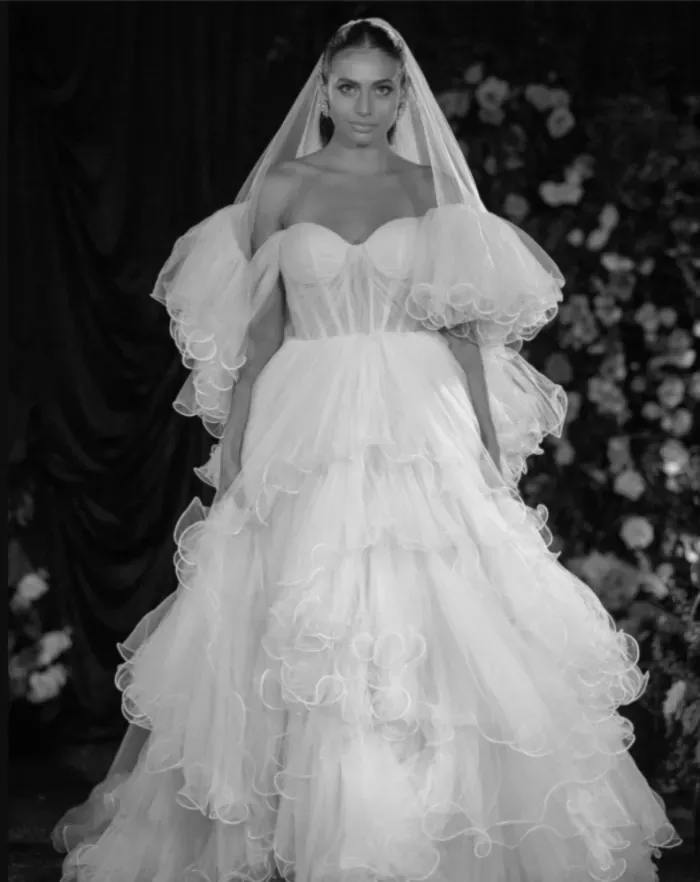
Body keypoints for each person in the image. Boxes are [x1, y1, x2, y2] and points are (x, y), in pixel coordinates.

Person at [52, 17, 681, 882]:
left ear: (403, 94)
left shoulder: (431, 188)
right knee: (300, 608)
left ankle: (422, 830)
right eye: (346, 86)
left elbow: (461, 327)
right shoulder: (280, 189)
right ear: (321, 90)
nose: (364, 104)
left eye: (381, 88)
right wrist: (233, 440)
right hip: (305, 414)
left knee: (431, 604)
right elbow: (261, 328)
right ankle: (308, 823)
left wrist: (490, 446)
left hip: (417, 413)